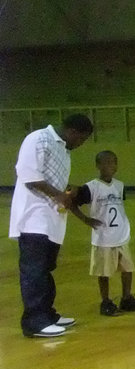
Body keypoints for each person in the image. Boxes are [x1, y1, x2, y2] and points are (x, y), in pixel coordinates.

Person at [9, 113, 96, 338]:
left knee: (45, 269)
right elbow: (29, 176)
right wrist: (59, 194)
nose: (81, 144)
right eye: (82, 139)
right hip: (33, 218)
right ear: (73, 132)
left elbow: (55, 184)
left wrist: (69, 192)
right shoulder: (38, 139)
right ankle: (34, 322)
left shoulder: (64, 151)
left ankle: (47, 314)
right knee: (34, 271)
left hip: (52, 220)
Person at [74, 150, 135, 316]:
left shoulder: (119, 186)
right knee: (104, 272)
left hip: (120, 235)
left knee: (128, 269)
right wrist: (85, 219)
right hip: (103, 237)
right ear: (98, 166)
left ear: (116, 166)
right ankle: (105, 302)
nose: (109, 166)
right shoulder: (90, 187)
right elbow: (71, 202)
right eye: (105, 163)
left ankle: (126, 298)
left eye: (112, 162)